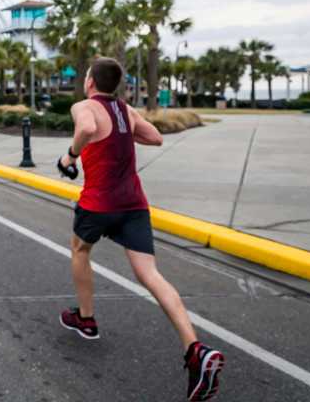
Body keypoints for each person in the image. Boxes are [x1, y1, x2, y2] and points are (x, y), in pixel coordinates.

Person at [57, 58, 224, 401]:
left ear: (89, 81)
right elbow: (156, 137)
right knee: (151, 275)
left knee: (79, 249)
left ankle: (86, 319)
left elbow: (87, 128)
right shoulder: (125, 109)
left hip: (99, 203)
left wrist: (71, 156)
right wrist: (123, 132)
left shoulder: (84, 105)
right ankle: (195, 350)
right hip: (133, 204)